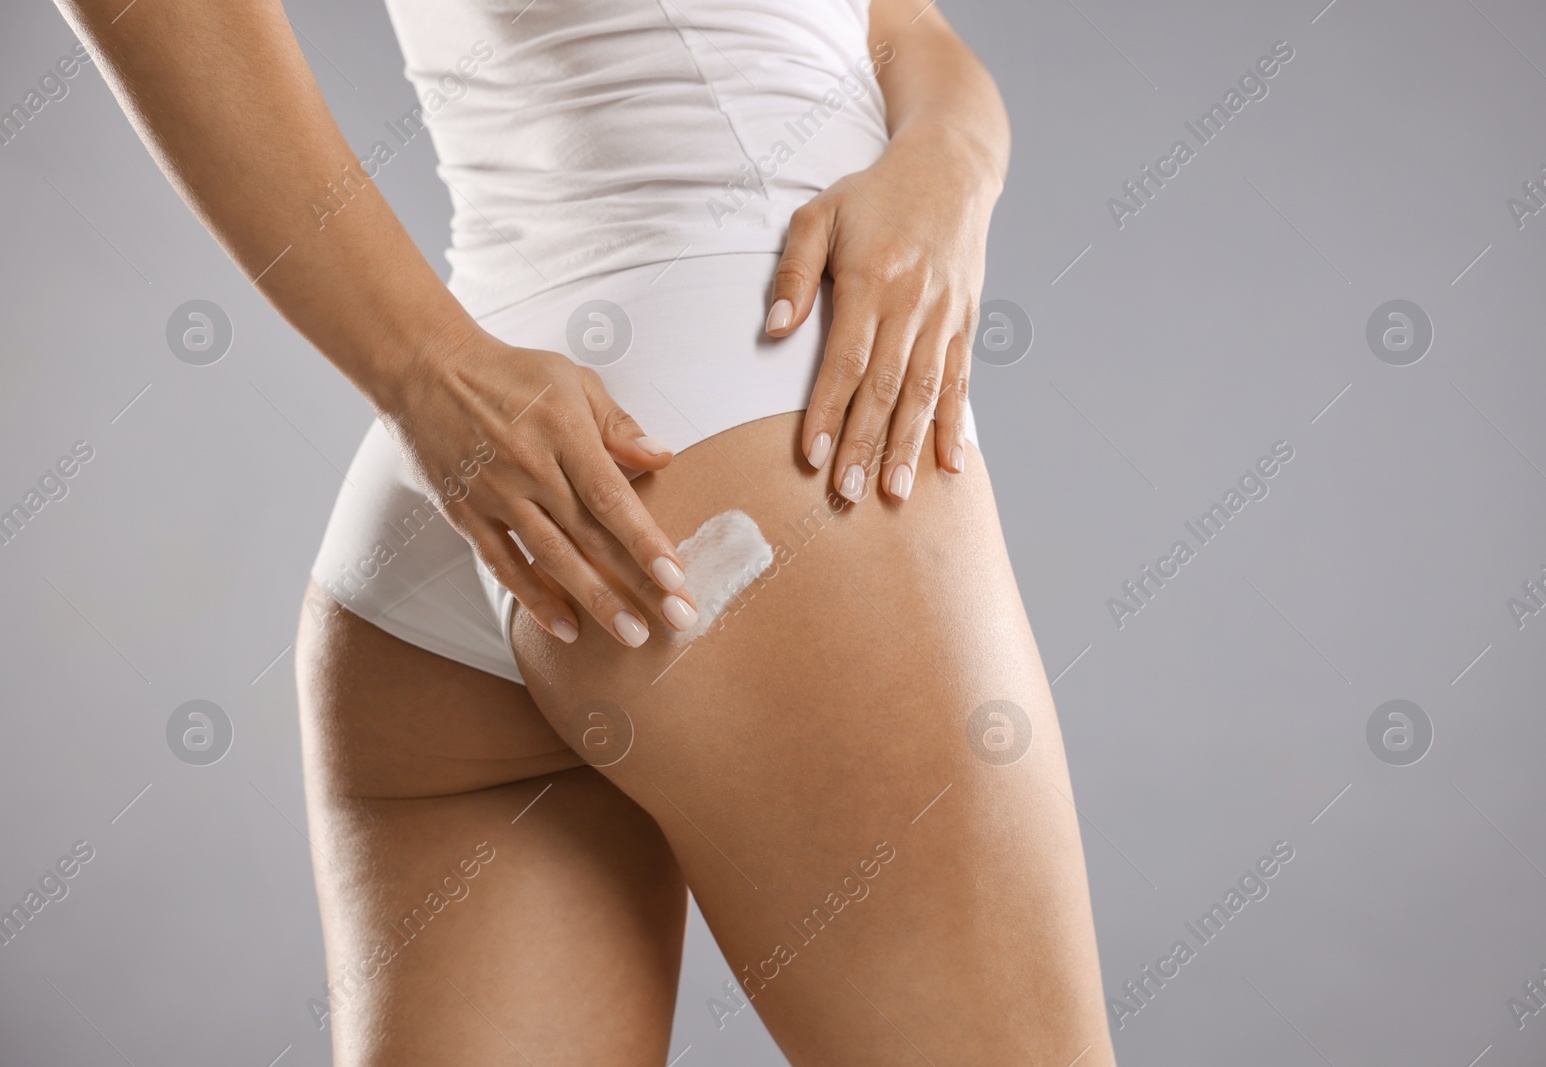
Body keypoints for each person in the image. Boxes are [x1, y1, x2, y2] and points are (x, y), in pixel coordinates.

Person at [58, 0, 1118, 1061]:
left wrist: (952, 159)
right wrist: (420, 367)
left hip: (464, 513)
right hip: (751, 444)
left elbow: (897, 26)